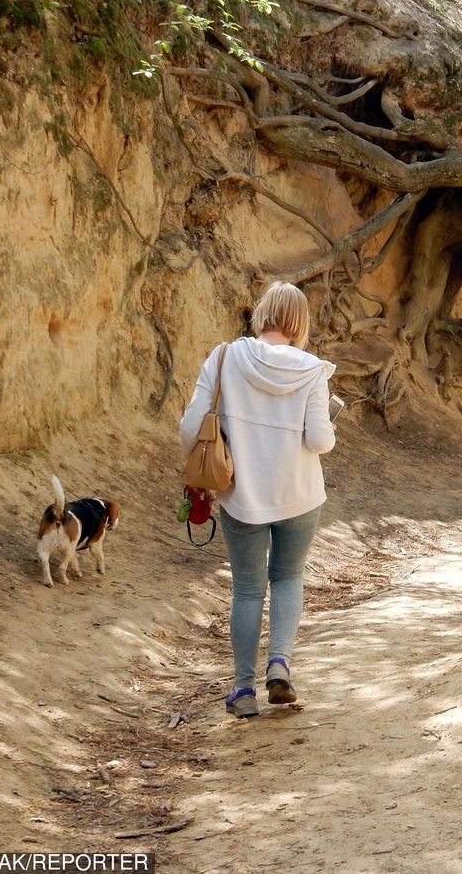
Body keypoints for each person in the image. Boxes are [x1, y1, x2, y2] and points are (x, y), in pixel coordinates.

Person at [179, 281, 336, 718]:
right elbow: (321, 441)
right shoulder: (311, 370)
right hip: (299, 495)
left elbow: (191, 428)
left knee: (248, 590)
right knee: (287, 577)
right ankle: (280, 664)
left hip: (241, 494)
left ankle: (243, 690)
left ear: (262, 313)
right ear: (300, 323)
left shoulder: (224, 357)